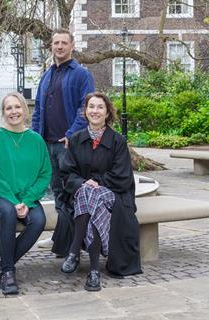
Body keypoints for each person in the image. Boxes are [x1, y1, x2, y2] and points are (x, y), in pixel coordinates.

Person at [56, 92, 142, 291]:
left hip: (114, 194)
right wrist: (84, 184)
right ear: (85, 112)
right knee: (90, 197)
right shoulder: (76, 139)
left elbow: (122, 176)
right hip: (83, 194)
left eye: (100, 107)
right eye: (91, 107)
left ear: (107, 112)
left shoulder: (118, 141)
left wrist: (96, 182)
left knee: (91, 193)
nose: (95, 111)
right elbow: (67, 173)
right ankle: (94, 271)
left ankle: (74, 251)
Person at [0, 92, 51, 295]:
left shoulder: (36, 140)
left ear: (25, 110)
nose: (13, 112)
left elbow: (45, 174)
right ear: (3, 112)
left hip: (25, 198)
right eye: (9, 108)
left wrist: (26, 200)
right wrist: (13, 201)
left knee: (38, 220)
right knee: (7, 212)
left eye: (17, 107)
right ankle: (8, 272)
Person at [31, 28, 95, 251]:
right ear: (51, 46)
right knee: (58, 192)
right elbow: (38, 109)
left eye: (63, 43)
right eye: (55, 43)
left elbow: (85, 108)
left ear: (72, 45)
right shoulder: (47, 75)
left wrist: (71, 135)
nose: (59, 46)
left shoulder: (82, 74)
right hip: (46, 144)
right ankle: (61, 237)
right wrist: (34, 138)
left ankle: (74, 240)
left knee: (71, 193)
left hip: (68, 146)